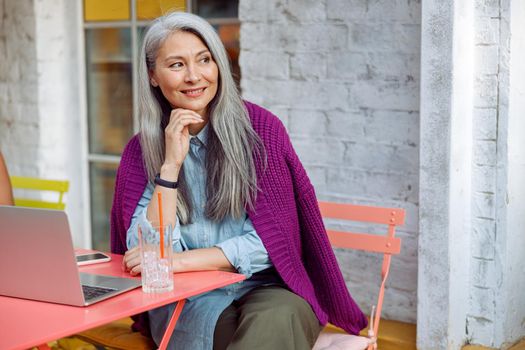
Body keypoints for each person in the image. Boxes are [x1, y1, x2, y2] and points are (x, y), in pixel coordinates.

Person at [111, 11, 367, 350]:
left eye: (204, 60)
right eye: (176, 65)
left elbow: (273, 243)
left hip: (268, 289)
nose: (194, 76)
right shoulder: (140, 151)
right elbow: (148, 254)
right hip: (191, 301)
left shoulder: (261, 132)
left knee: (278, 318)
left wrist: (181, 261)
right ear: (153, 76)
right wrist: (170, 166)